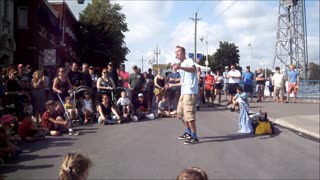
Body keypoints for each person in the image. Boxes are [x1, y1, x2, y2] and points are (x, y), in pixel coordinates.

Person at [167, 45, 199, 145]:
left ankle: (194, 136)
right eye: (175, 52)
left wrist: (180, 67)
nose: (176, 53)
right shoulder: (182, 64)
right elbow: (183, 81)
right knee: (180, 114)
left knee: (189, 115)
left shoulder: (188, 60)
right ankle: (188, 132)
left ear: (183, 52)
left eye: (178, 51)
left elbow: (193, 69)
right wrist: (172, 84)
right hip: (184, 92)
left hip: (190, 92)